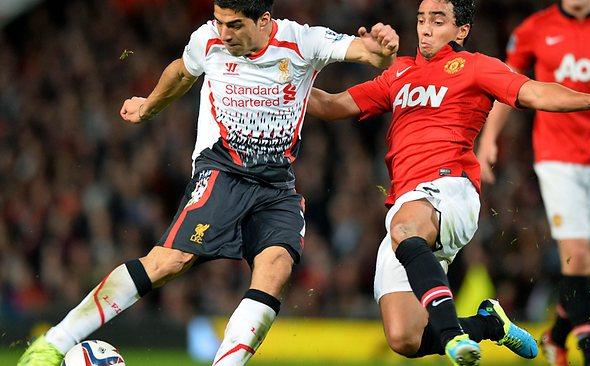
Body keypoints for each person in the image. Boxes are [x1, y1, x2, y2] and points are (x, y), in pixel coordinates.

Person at [17, 1, 399, 365]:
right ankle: (54, 343)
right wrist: (149, 106)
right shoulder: (208, 41)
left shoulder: (303, 41)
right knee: (170, 262)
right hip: (222, 170)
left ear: (264, 21)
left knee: (277, 267)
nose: (224, 33)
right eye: (219, 21)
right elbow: (182, 72)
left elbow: (369, 55)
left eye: (235, 25)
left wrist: (381, 49)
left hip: (276, 183)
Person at [307, 0, 590, 365]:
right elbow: (332, 105)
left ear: (461, 31)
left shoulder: (476, 67)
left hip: (450, 191)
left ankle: (451, 339)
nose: (425, 28)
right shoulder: (397, 73)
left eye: (438, 21)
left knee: (404, 227)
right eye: (421, 20)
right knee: (405, 337)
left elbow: (535, 92)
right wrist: (284, 79)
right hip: (407, 205)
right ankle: (488, 325)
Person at [476, 0, 590, 364]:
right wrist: (490, 137)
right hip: (557, 158)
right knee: (578, 256)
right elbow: (510, 84)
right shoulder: (534, 29)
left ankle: (556, 335)